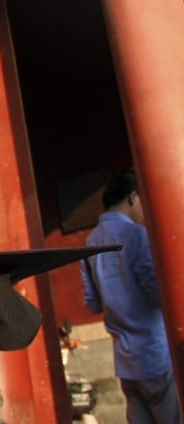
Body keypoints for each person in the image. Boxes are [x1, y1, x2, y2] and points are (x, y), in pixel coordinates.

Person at [81, 170, 183, 424]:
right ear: (133, 197)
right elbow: (160, 293)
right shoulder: (137, 235)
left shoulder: (90, 242)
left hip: (125, 360)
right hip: (155, 352)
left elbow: (92, 302)